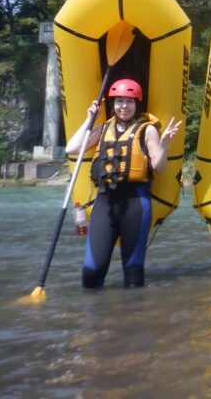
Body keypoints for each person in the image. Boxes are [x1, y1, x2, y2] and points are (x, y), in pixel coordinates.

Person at [65, 79, 181, 288]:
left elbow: (160, 167)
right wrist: (89, 119)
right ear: (113, 105)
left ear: (137, 104)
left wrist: (164, 144)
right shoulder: (102, 128)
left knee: (133, 270)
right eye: (119, 101)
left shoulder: (147, 130)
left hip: (136, 202)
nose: (124, 106)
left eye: (129, 101)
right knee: (92, 271)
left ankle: (134, 316)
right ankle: (92, 317)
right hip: (105, 202)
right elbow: (72, 148)